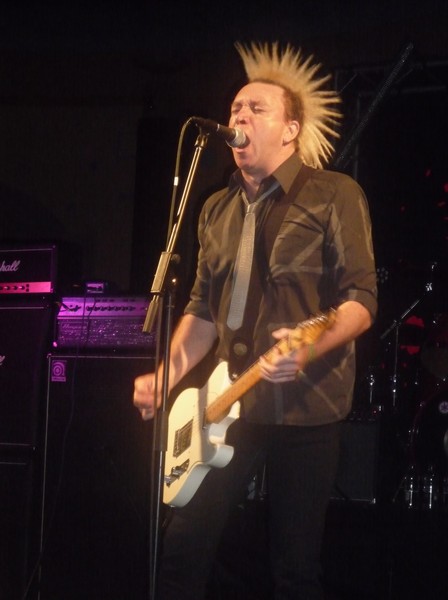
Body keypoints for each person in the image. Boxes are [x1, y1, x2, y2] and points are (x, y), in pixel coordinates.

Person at [133, 41, 377, 600]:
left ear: (291, 129)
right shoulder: (215, 209)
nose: (239, 115)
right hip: (226, 405)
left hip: (307, 408)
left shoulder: (334, 195)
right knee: (182, 550)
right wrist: (167, 376)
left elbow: (361, 300)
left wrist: (309, 349)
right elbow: (202, 310)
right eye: (235, 108)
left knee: (294, 569)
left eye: (256, 108)